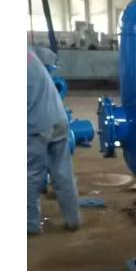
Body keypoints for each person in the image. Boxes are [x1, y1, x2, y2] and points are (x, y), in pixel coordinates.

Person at [27, 47, 81, 235]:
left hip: (37, 125)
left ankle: (30, 225)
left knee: (31, 175)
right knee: (63, 173)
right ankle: (73, 220)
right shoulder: (29, 54)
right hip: (59, 119)